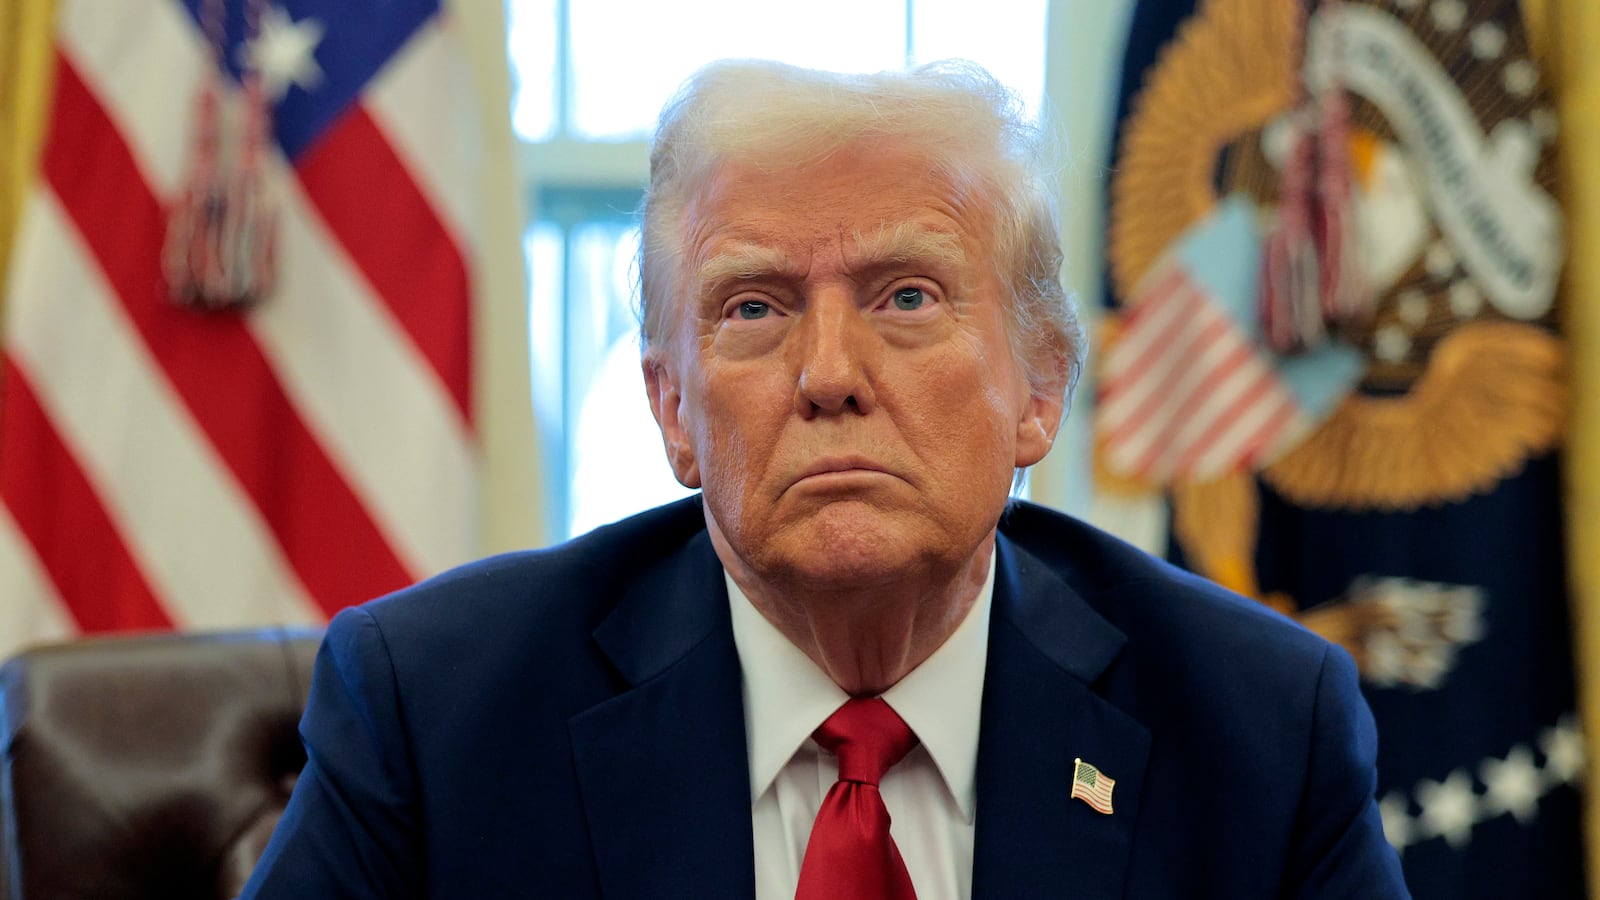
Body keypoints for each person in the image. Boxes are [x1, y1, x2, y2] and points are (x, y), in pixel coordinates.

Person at [239, 59, 1409, 899]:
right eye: (754, 309)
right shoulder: (438, 713)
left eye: (907, 297)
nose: (829, 375)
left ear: (1039, 387)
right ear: (671, 411)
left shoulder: (1257, 726)